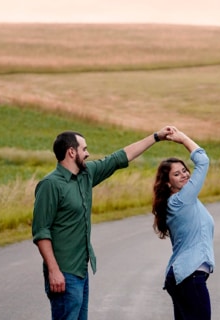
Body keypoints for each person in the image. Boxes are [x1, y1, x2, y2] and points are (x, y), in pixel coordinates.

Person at [32, 126, 174, 320]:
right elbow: (41, 232)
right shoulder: (50, 185)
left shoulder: (86, 175)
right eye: (84, 149)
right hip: (64, 273)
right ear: (71, 152)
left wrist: (156, 137)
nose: (88, 153)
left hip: (81, 271)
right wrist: (54, 271)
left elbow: (119, 157)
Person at [151, 126, 215, 320]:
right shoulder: (181, 200)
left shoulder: (181, 201)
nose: (185, 175)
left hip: (184, 276)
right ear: (168, 183)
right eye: (177, 174)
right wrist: (183, 139)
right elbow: (203, 161)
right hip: (190, 276)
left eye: (184, 170)